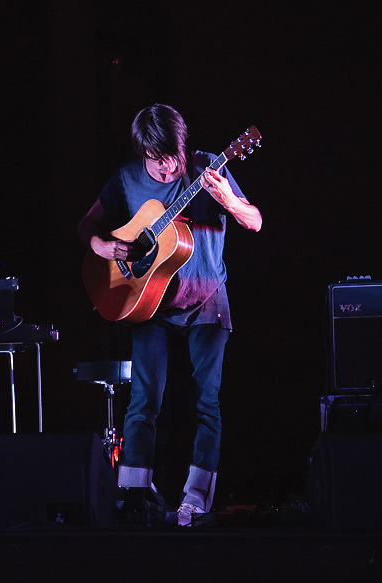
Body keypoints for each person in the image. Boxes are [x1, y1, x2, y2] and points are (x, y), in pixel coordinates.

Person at [77, 104, 262, 527]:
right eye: (156, 159)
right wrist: (103, 247)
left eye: (173, 157)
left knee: (206, 402)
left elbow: (255, 222)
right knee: (142, 403)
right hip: (149, 304)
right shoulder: (126, 179)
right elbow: (86, 226)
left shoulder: (205, 169)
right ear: (143, 151)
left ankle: (194, 500)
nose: (167, 168)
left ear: (183, 147)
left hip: (207, 299)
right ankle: (133, 496)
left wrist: (229, 200)